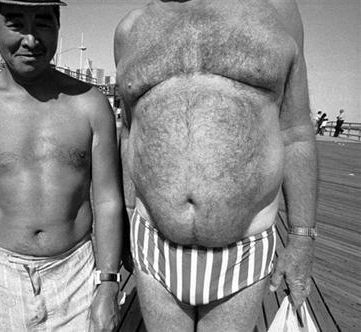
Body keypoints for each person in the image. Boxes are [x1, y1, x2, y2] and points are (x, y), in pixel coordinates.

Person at [114, 0, 317, 331]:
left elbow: (295, 133)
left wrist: (302, 238)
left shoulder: (275, 11)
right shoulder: (130, 29)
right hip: (153, 243)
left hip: (243, 250)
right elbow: (129, 134)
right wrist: (124, 220)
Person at [0, 1, 124, 331]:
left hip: (75, 277)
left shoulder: (91, 105)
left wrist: (108, 285)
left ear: (57, 25)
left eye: (42, 22)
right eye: (15, 23)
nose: (30, 39)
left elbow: (109, 201)